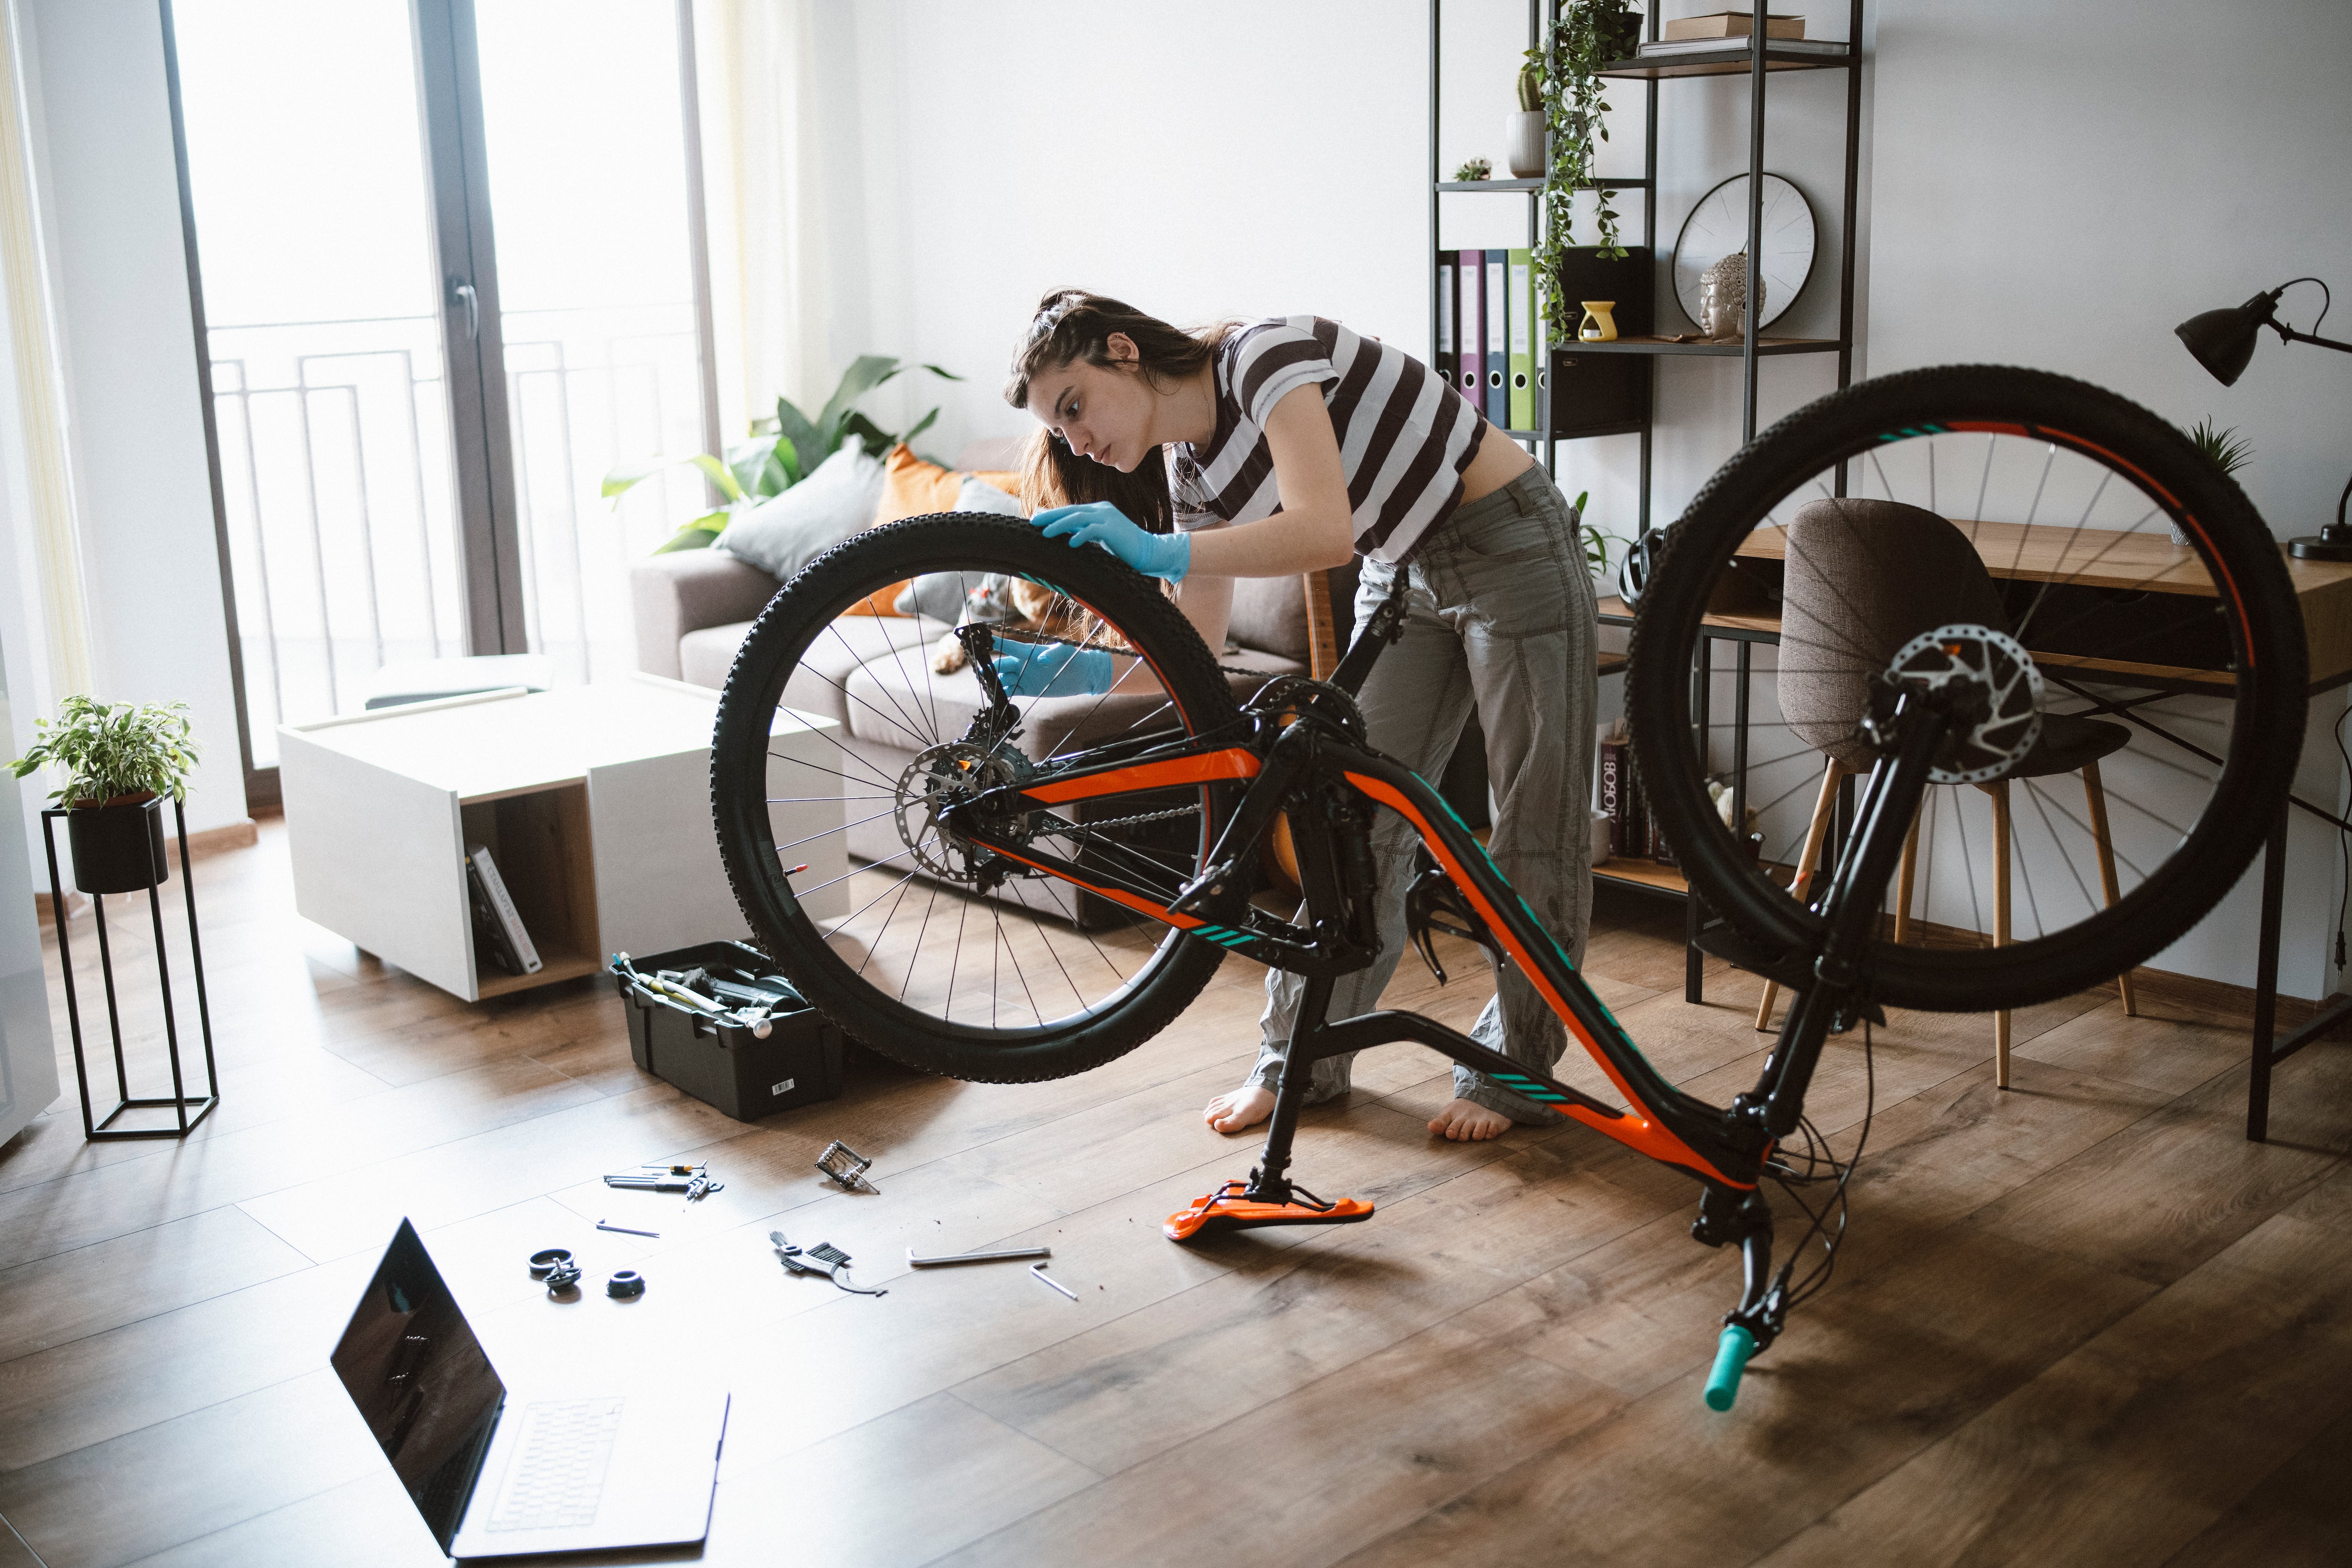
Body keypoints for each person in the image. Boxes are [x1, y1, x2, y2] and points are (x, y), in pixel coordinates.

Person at [1004, 289, 1598, 1142]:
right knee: (1348, 820)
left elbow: (1324, 531)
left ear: (1124, 352)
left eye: (1074, 406)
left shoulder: (1264, 358)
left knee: (1532, 821)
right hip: (1407, 571)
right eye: (1060, 431)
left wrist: (1162, 550)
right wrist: (1054, 672)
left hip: (1508, 542)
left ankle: (1513, 1071)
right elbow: (1192, 655)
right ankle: (1300, 1063)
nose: (1078, 439)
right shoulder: (1191, 469)